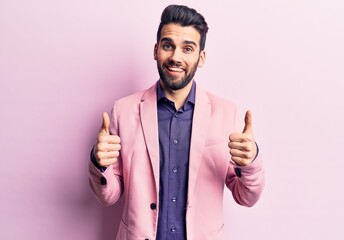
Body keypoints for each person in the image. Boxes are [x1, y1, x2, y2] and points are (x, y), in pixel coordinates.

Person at [89, 4, 265, 240]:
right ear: (156, 50)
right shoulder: (124, 110)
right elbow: (109, 195)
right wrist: (99, 163)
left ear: (201, 57)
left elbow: (247, 197)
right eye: (168, 45)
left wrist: (250, 162)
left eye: (188, 48)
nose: (175, 57)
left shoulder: (227, 114)